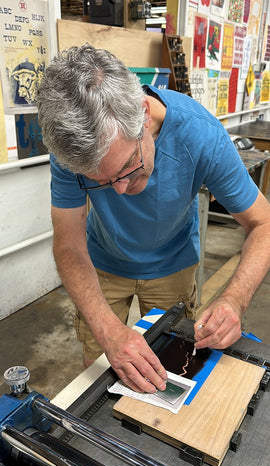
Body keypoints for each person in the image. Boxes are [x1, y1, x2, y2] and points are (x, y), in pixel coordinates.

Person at [37, 43, 270, 394]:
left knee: (176, 369)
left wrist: (234, 298)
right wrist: (108, 331)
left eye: (127, 167)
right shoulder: (73, 149)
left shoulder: (200, 134)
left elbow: (264, 224)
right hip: (101, 265)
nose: (119, 191)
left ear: (144, 115)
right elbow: (69, 242)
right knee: (102, 369)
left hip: (172, 265)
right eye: (98, 181)